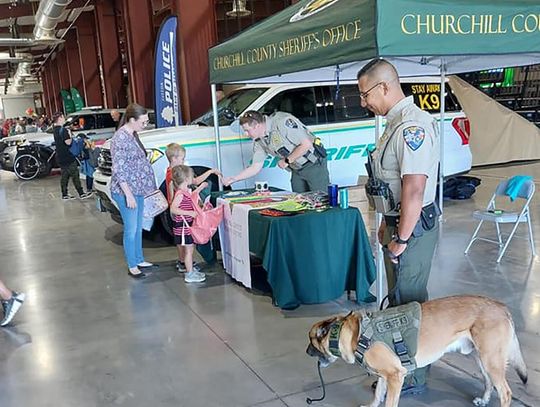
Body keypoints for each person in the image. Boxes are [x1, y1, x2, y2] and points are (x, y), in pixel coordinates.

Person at [358, 59, 440, 396]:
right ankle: (397, 367)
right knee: (399, 303)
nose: (364, 103)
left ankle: (412, 376)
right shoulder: (393, 124)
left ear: (384, 87)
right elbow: (387, 185)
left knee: (410, 306)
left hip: (413, 230)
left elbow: (414, 190)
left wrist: (402, 238)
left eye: (365, 95)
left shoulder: (412, 127)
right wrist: (387, 225)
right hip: (398, 225)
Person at [222, 110, 329, 192]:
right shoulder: (259, 140)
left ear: (257, 126)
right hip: (297, 169)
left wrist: (287, 161)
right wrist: (234, 178)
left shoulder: (282, 122)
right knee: (301, 201)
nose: (246, 134)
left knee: (321, 201)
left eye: (247, 130)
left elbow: (306, 144)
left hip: (313, 164)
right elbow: (255, 167)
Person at [110, 103, 157, 278]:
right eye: (143, 122)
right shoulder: (120, 138)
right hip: (126, 191)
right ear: (131, 120)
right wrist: (128, 195)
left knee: (138, 228)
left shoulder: (132, 134)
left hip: (137, 189)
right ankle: (132, 265)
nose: (144, 125)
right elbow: (119, 169)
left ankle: (139, 259)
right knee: (131, 229)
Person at [164, 143, 220, 273]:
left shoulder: (174, 174)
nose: (184, 161)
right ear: (174, 159)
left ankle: (183, 261)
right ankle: (185, 264)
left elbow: (193, 183)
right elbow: (192, 183)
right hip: (181, 215)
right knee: (186, 242)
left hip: (181, 213)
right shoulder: (176, 179)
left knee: (184, 241)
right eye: (182, 158)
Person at [170, 165, 207, 283]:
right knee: (189, 251)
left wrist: (200, 188)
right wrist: (189, 213)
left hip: (186, 227)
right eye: (191, 177)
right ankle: (189, 273)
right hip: (183, 227)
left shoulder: (184, 192)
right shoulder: (180, 194)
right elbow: (173, 209)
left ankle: (190, 270)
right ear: (186, 179)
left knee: (190, 250)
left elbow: (191, 197)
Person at [52, 112, 92, 201]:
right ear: (60, 118)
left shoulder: (55, 129)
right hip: (68, 156)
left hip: (60, 156)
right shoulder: (64, 130)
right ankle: (81, 193)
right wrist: (70, 135)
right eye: (63, 117)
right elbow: (68, 142)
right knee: (75, 174)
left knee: (64, 176)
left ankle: (64, 194)